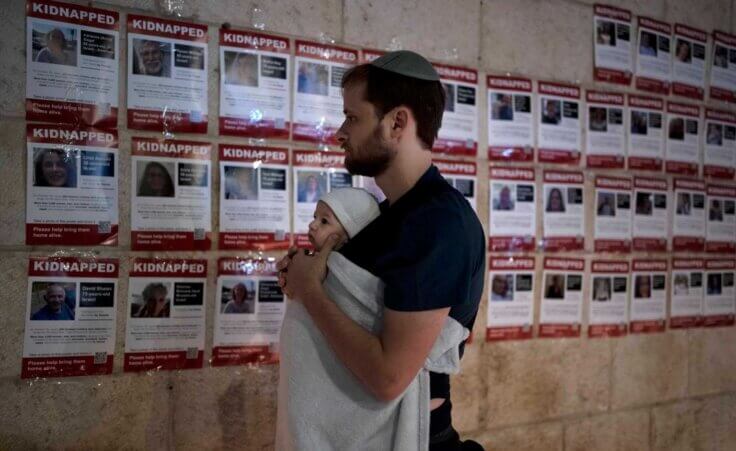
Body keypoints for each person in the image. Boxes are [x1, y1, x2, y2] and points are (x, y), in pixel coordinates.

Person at [277, 50, 485, 450]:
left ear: (397, 123)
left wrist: (311, 291)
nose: (340, 132)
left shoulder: (439, 224)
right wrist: (307, 274)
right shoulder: (385, 215)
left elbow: (389, 377)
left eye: (353, 117)